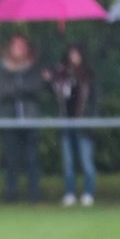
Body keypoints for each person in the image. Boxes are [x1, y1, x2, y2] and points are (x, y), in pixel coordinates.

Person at [45, 44, 97, 207]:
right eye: (70, 55)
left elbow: (95, 100)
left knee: (86, 161)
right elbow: (52, 94)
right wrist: (50, 79)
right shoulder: (60, 75)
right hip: (66, 123)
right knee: (68, 162)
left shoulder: (88, 75)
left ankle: (88, 193)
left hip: (83, 124)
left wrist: (90, 119)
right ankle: (70, 193)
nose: (73, 58)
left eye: (76, 54)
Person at [0, 34, 43, 202]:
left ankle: (34, 193)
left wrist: (19, 88)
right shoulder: (2, 68)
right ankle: (11, 193)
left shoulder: (33, 67)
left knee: (32, 157)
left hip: (30, 117)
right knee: (11, 158)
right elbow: (3, 91)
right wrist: (20, 89)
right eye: (16, 46)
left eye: (22, 46)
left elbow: (35, 88)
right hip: (9, 118)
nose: (19, 49)